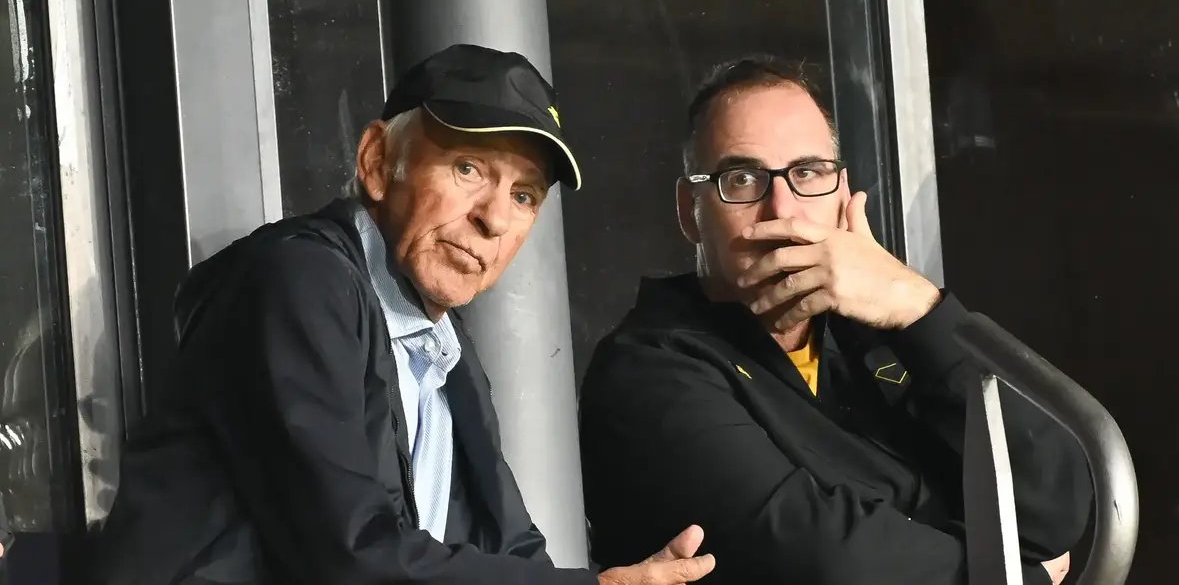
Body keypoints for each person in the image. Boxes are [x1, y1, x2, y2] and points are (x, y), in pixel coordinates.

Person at [97, 44, 714, 585]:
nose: (494, 219)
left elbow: (512, 552)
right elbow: (350, 557)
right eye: (468, 168)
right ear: (375, 162)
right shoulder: (299, 280)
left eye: (524, 195)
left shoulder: (443, 348)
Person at [578, 55, 1090, 585]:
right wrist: (1022, 578)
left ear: (843, 196)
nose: (783, 209)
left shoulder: (877, 330)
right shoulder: (647, 372)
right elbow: (827, 563)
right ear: (690, 210)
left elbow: (1057, 502)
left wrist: (918, 306)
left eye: (807, 173)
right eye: (743, 178)